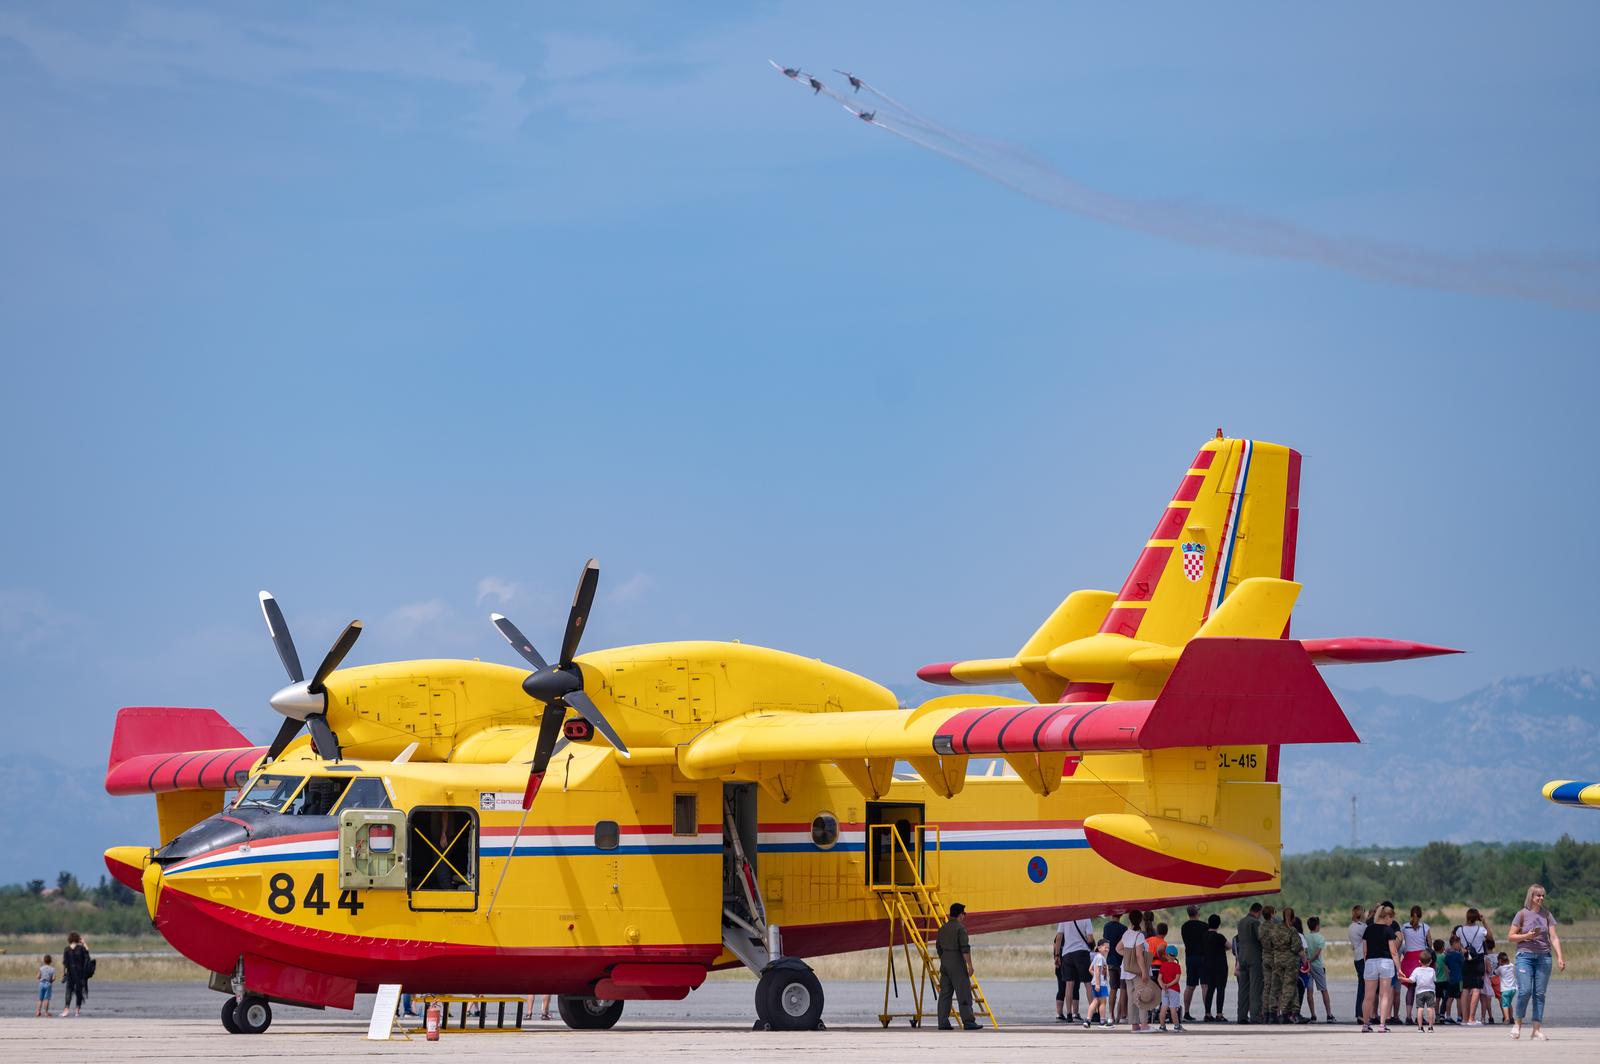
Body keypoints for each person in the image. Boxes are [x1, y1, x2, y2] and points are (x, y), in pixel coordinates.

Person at [1508, 882, 1564, 1041]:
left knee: (1539, 994)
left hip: (1544, 957)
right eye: (1538, 895)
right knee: (1525, 991)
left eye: (1543, 895)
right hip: (1524, 956)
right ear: (1531, 897)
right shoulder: (1522, 914)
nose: (1541, 898)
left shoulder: (1547, 914)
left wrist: (1560, 956)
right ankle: (1517, 1024)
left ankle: (1536, 1029)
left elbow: (1554, 937)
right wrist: (1527, 936)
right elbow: (1511, 936)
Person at [935, 902, 980, 1031]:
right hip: (957, 962)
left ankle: (943, 1022)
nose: (964, 916)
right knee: (964, 993)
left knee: (945, 994)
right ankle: (969, 1022)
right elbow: (965, 949)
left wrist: (945, 958)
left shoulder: (942, 928)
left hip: (945, 962)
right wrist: (969, 965)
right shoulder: (960, 929)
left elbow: (938, 947)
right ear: (960, 915)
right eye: (964, 914)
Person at [1360, 902, 1402, 1033]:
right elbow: (1394, 951)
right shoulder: (1389, 930)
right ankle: (1382, 1025)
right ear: (1387, 917)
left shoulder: (1368, 929)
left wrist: (1368, 962)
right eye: (1391, 918)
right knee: (1384, 995)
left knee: (1368, 996)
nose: (1392, 921)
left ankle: (1366, 1024)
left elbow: (1365, 951)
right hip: (1386, 963)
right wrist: (1399, 968)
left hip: (1371, 962)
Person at [1259, 905, 1302, 1024]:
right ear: (1292, 918)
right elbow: (1295, 947)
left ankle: (1272, 1013)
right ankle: (1286, 1013)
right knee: (1289, 986)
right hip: (1289, 961)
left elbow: (1269, 943)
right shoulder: (1292, 930)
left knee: (1274, 986)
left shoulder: (1275, 929)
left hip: (1276, 959)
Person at [1053, 916, 1094, 1023]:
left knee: (1069, 985)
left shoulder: (1065, 917)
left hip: (1067, 954)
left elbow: (1059, 937)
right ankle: (1094, 1012)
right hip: (1082, 952)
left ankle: (1069, 1014)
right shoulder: (1086, 918)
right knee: (1088, 983)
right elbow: (1090, 938)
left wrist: (1057, 955)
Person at [1119, 908, 1152, 1032]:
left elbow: (1118, 948)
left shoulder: (1126, 933)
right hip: (1137, 971)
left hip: (1127, 970)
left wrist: (1128, 956)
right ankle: (1144, 1024)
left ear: (1130, 920)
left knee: (1132, 997)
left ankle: (1134, 1024)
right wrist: (1144, 971)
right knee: (1142, 995)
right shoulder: (1139, 935)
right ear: (1141, 920)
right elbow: (1139, 954)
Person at [1456, 906, 1489, 1026]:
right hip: (1478, 959)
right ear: (1477, 918)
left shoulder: (1460, 930)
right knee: (1476, 989)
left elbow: (1458, 942)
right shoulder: (1481, 930)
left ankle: (1464, 1018)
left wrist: (1462, 949)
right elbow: (1490, 936)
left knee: (1465, 989)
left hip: (1466, 960)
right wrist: (1484, 921)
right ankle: (1472, 1018)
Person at [1398, 905, 1430, 1023]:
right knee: (1422, 989)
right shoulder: (1425, 927)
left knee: (1410, 988)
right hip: (1421, 958)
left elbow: (1401, 941)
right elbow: (1429, 945)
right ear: (1420, 915)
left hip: (1408, 958)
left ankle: (1408, 1016)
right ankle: (1420, 1017)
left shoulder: (1404, 927)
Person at [1235, 902, 1264, 1023]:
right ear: (1258, 911)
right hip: (1255, 958)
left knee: (1243, 988)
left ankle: (1241, 1016)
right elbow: (1261, 938)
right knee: (1255, 988)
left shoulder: (1241, 922)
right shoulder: (1255, 923)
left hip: (1242, 958)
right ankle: (1255, 1016)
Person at [1179, 905, 1207, 1021]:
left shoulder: (1184, 927)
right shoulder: (1204, 926)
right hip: (1202, 957)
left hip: (1190, 957)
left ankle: (1186, 1012)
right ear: (1197, 913)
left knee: (1190, 986)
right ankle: (1207, 1012)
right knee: (1205, 985)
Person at [1202, 914, 1230, 1022]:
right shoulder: (1220, 937)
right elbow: (1230, 946)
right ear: (1218, 924)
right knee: (1220, 989)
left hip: (1208, 965)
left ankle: (1207, 1013)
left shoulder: (1204, 936)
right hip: (1220, 966)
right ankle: (1219, 1014)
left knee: (1210, 990)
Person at [1304, 916, 1332, 1022]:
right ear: (1317, 926)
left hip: (1308, 967)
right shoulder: (1320, 938)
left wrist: (1307, 962)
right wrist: (1311, 960)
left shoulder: (1306, 937)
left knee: (1309, 991)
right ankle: (1329, 1014)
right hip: (1317, 966)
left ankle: (1313, 1015)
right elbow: (1317, 953)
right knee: (1324, 990)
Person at [1403, 947, 1438, 1031]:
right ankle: (1430, 1027)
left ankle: (1420, 1027)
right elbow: (1435, 980)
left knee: (1420, 1009)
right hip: (1430, 992)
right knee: (1430, 1009)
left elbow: (1411, 980)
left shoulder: (1416, 970)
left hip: (1420, 992)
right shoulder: (1432, 970)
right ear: (1430, 961)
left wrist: (1403, 979)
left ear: (1419, 961)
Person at [1102, 912, 1126, 1024]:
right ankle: (1119, 1016)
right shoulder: (1124, 928)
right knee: (1123, 989)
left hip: (1110, 960)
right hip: (1121, 961)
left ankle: (1110, 1015)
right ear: (1120, 916)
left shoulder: (1106, 927)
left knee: (1112, 989)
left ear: (1111, 915)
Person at [1083, 940, 1113, 1028]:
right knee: (1103, 1002)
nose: (1107, 949)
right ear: (1099, 948)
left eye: (1108, 947)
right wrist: (1098, 983)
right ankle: (1102, 1021)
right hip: (1101, 984)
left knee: (1095, 1001)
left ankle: (1088, 1020)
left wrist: (1095, 978)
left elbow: (1090, 969)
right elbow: (1096, 970)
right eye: (1105, 947)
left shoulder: (1097, 956)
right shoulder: (1100, 957)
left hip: (1097, 982)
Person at [60, 931, 91, 1017]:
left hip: (70, 973)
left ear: (69, 939)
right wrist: (84, 943)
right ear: (78, 939)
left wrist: (63, 974)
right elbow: (87, 955)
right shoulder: (81, 948)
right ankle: (77, 1010)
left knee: (68, 991)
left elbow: (65, 963)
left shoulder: (66, 949)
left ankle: (66, 1009)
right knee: (79, 991)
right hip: (80, 973)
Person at [1347, 904, 1368, 1024]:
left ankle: (1359, 1012)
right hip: (1362, 958)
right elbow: (1368, 931)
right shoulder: (1361, 927)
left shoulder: (1351, 927)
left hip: (1357, 957)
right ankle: (1361, 1013)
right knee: (1364, 987)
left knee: (1361, 986)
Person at [1158, 944, 1185, 1032]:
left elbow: (1159, 978)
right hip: (1174, 990)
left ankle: (1162, 1026)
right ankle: (1176, 1026)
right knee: (1173, 1008)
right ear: (1175, 955)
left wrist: (1163, 986)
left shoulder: (1163, 965)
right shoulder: (1177, 966)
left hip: (1164, 990)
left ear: (1166, 955)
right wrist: (1169, 985)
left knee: (1163, 1008)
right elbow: (1177, 979)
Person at [1440, 934, 1463, 1024]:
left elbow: (1445, 964)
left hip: (1450, 979)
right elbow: (1463, 963)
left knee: (1449, 998)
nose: (1459, 946)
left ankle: (1448, 1016)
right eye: (1459, 944)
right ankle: (1459, 1016)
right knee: (1459, 998)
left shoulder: (1447, 955)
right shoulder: (1458, 955)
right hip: (1459, 979)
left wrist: (1448, 972)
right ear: (1454, 943)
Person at [1495, 952, 1516, 1021]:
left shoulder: (1500, 968)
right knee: (1509, 1003)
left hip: (1505, 990)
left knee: (1505, 1004)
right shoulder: (1512, 966)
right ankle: (1511, 1017)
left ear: (1500, 961)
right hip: (1513, 989)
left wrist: (1497, 966)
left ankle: (1506, 1018)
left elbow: (1495, 973)